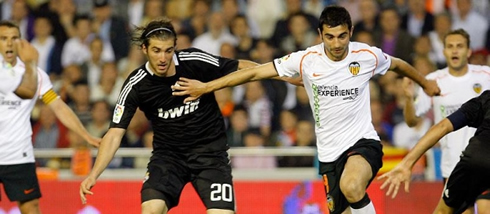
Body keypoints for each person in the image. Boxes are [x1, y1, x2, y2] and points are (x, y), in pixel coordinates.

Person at [171, 5, 440, 214]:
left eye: (343, 36)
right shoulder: (306, 59)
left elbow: (400, 65)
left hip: (363, 142)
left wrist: (424, 82)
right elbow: (254, 74)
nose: (337, 44)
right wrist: (207, 87)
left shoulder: (367, 55)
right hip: (328, 153)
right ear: (320, 35)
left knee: (352, 185)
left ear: (351, 32)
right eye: (330, 37)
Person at [79, 18, 260, 214]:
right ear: (144, 49)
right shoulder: (135, 85)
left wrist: (281, 72)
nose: (163, 58)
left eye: (168, 50)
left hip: (210, 155)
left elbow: (240, 66)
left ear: (175, 47)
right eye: (156, 50)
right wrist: (93, 174)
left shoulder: (193, 61)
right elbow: (114, 133)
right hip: (168, 158)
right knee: (151, 209)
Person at [0, 20, 100, 214]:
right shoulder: (29, 72)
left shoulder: (36, 74)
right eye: (3, 38)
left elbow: (58, 107)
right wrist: (30, 62)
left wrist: (85, 134)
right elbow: (27, 91)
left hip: (18, 154)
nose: (10, 43)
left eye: (14, 38)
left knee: (31, 208)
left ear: (21, 42)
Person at [402, 29, 490, 214]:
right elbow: (411, 121)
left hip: (482, 159)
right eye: (450, 47)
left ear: (468, 51)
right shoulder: (433, 81)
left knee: (485, 208)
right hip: (453, 165)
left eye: (459, 46)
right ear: (444, 52)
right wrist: (409, 99)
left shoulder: (485, 75)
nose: (455, 51)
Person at [379, 90, 490, 214]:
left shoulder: (486, 99)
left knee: (444, 211)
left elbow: (442, 127)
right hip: (477, 160)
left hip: (476, 159)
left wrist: (407, 163)